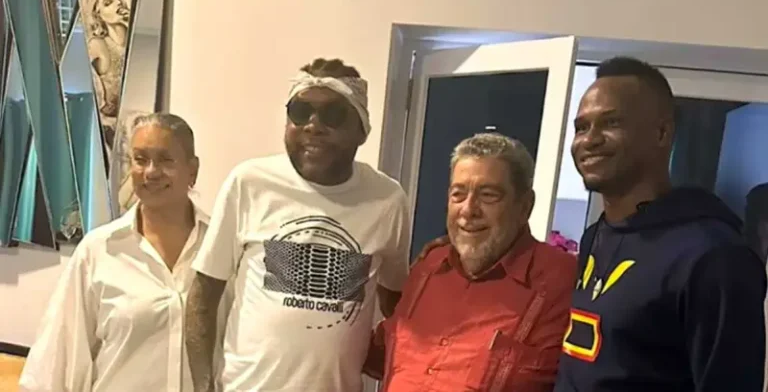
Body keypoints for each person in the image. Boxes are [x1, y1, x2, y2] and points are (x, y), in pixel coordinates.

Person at [185, 58, 411, 392]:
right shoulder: (249, 183)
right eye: (301, 112)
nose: (313, 126)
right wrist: (203, 387)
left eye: (333, 115)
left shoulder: (387, 199)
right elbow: (203, 296)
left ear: (361, 130)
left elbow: (397, 306)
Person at [554, 57, 766, 391]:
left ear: (662, 133)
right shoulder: (597, 234)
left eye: (611, 122)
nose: (589, 140)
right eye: (582, 127)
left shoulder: (714, 256)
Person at [18, 113, 229, 391]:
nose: (151, 172)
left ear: (193, 170)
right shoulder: (99, 251)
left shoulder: (221, 247)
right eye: (140, 159)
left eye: (166, 160)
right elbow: (58, 358)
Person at [364, 133, 577, 392]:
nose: (468, 210)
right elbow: (384, 351)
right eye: (458, 194)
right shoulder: (429, 265)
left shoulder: (561, 281)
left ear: (525, 207)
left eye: (488, 195)